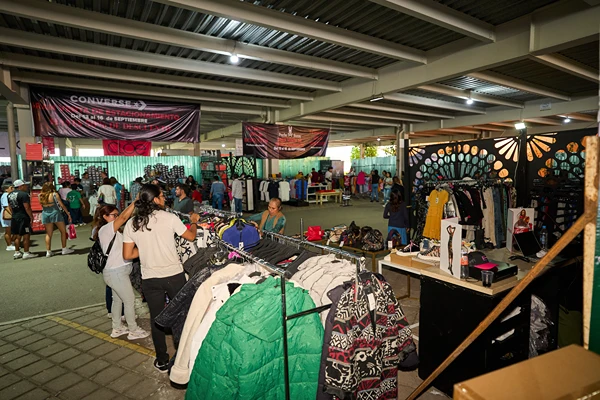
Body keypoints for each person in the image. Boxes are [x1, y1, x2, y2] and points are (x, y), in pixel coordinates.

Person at [122, 184, 200, 372]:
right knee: (181, 316)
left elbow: (128, 254)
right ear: (155, 199)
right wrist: (195, 222)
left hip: (150, 278)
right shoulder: (169, 218)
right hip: (174, 276)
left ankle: (162, 360)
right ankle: (184, 357)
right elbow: (190, 237)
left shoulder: (132, 223)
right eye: (162, 196)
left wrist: (147, 249)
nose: (165, 198)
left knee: (157, 320)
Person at [94, 201, 149, 341]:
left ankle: (117, 327)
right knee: (129, 300)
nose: (117, 217)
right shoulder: (106, 230)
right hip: (116, 273)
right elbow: (124, 218)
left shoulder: (112, 231)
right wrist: (135, 202)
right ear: (105, 216)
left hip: (116, 273)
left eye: (117, 215)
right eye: (114, 215)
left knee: (117, 300)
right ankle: (133, 329)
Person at [39, 182, 74, 257]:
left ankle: (48, 251)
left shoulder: (41, 195)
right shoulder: (54, 194)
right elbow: (61, 205)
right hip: (55, 214)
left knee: (48, 233)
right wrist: (68, 213)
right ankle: (64, 249)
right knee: (63, 231)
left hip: (45, 214)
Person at [8, 180, 38, 259]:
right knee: (26, 235)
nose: (26, 186)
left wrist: (14, 214)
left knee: (17, 235)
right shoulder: (24, 195)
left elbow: (10, 207)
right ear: (20, 186)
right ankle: (26, 252)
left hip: (15, 217)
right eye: (24, 185)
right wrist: (31, 216)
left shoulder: (10, 194)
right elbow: (27, 207)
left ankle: (17, 252)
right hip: (23, 217)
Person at [1, 184, 15, 251]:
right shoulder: (5, 195)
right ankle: (9, 245)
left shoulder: (8, 195)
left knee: (11, 230)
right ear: (6, 189)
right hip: (6, 214)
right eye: (11, 188)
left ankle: (11, 242)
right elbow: (6, 207)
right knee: (8, 231)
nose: (12, 189)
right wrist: (12, 214)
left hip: (9, 213)